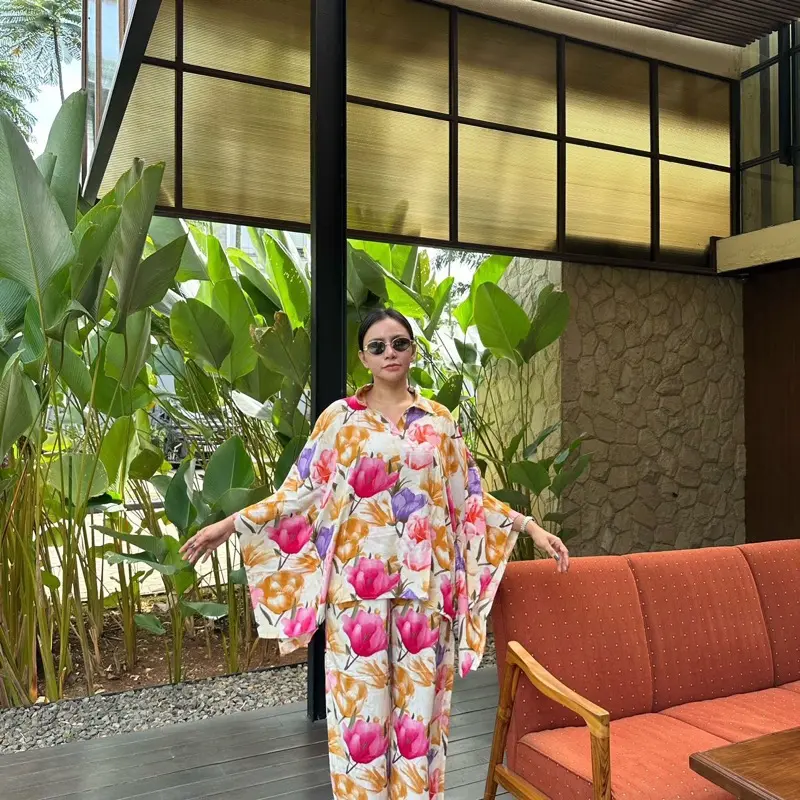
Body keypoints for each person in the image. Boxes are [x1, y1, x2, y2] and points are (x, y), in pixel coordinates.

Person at [180, 308, 570, 800]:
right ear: (363, 357)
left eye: (400, 343)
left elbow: (468, 497)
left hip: (425, 594)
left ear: (413, 351)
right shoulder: (339, 420)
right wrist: (230, 524)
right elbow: (299, 493)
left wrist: (528, 526)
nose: (390, 353)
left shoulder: (439, 421)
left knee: (419, 725)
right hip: (355, 598)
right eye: (378, 346)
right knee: (358, 721)